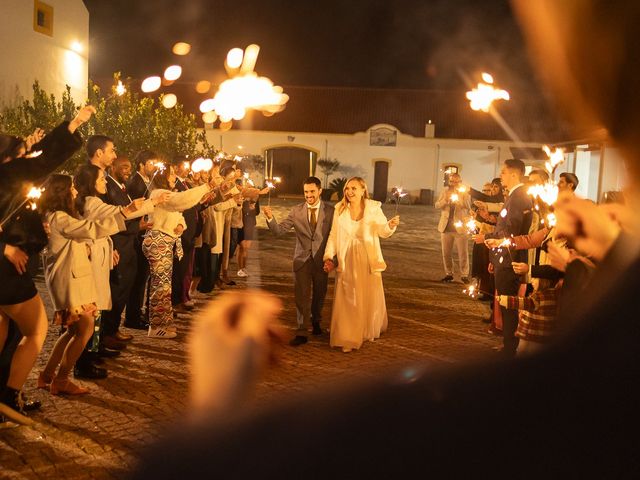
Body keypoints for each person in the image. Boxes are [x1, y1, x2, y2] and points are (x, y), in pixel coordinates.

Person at [133, 2, 640, 477]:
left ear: (573, 58)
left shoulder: (410, 428)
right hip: (337, 259)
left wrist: (219, 399)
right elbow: (330, 233)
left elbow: (209, 465)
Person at [0, 106, 94, 424]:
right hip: (7, 274)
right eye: (22, 150)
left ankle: (5, 390)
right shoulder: (8, 176)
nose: (28, 154)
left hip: (8, 270)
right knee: (36, 330)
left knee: (4, 330)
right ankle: (10, 395)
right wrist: (73, 125)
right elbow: (44, 161)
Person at [37, 174, 127, 396]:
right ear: (62, 192)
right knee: (84, 330)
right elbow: (88, 228)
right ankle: (61, 379)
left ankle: (48, 375)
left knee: (72, 331)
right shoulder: (58, 217)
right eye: (71, 189)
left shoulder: (59, 217)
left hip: (73, 279)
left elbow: (78, 236)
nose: (76, 192)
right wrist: (124, 214)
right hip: (69, 281)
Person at [322, 177, 399, 352]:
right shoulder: (340, 209)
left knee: (366, 294)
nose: (349, 192)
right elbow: (334, 235)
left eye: (354, 188)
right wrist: (329, 256)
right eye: (347, 188)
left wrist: (390, 225)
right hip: (346, 257)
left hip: (367, 257)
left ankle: (364, 328)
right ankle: (348, 335)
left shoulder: (373, 208)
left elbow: (382, 231)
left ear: (363, 189)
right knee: (348, 296)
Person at [143, 165, 214, 338]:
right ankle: (156, 326)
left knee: (165, 286)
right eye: (171, 174)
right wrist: (207, 186)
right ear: (162, 177)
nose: (174, 177)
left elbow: (179, 212)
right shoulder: (159, 193)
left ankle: (165, 323)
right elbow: (181, 200)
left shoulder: (166, 193)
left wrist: (181, 225)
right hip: (158, 241)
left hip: (166, 241)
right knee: (160, 286)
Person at [262, 176, 334, 346]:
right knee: (301, 297)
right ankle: (302, 330)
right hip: (301, 260)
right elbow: (279, 231)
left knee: (319, 294)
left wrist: (333, 259)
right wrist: (270, 218)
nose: (308, 195)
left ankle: (316, 320)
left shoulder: (331, 211)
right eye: (306, 192)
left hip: (322, 260)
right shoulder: (296, 211)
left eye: (312, 191)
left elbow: (336, 237)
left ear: (320, 191)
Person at [479, 159, 533, 357]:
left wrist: (486, 237)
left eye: (503, 172)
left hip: (510, 257)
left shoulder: (518, 197)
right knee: (506, 302)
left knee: (509, 304)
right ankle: (509, 343)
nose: (501, 176)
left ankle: (511, 347)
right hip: (505, 255)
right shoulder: (516, 195)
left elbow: (510, 230)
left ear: (514, 174)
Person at [124, 150, 159, 330]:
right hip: (137, 234)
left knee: (144, 276)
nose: (153, 166)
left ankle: (139, 312)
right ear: (142, 165)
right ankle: (132, 317)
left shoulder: (150, 181)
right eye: (150, 163)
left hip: (148, 232)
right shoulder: (135, 182)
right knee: (138, 277)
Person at [434, 172, 471, 283]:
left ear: (460, 182)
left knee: (463, 252)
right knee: (446, 253)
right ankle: (449, 273)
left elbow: (468, 206)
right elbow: (436, 205)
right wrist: (446, 200)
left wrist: (459, 201)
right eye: (451, 181)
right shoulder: (445, 191)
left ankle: (464, 275)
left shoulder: (465, 192)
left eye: (456, 181)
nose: (453, 184)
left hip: (460, 227)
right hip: (446, 227)